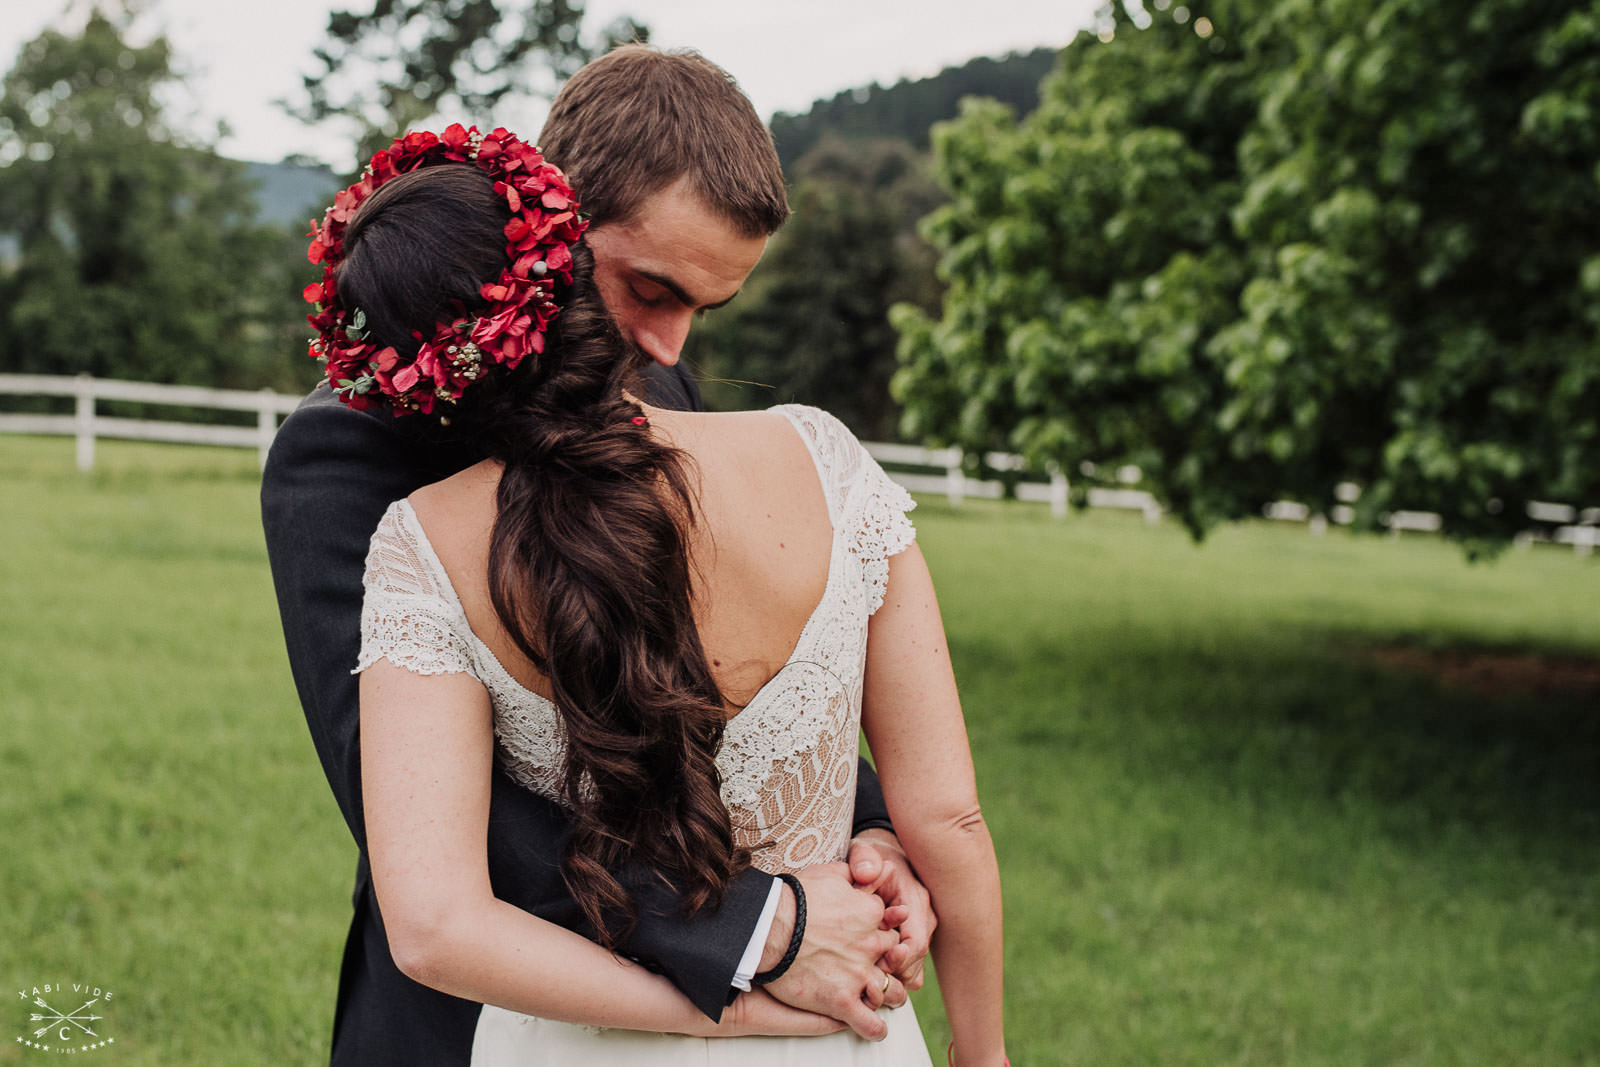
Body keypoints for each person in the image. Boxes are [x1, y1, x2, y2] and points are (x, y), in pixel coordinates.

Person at [261, 46, 934, 1066]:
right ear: (550, 226)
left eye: (702, 310)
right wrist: (763, 929)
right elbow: (441, 811)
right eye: (651, 288)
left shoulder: (662, 397)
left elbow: (746, 678)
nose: (668, 348)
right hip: (485, 1010)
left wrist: (870, 836)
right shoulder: (347, 451)